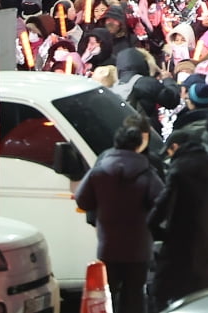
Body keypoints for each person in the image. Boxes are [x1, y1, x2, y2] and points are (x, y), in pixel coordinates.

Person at [74, 118, 163, 313]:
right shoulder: (147, 173)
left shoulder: (99, 171)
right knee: (135, 296)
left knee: (106, 295)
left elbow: (82, 201)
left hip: (108, 245)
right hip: (139, 248)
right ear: (139, 144)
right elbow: (162, 203)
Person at [149, 128, 208, 310]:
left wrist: (158, 231)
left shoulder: (178, 171)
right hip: (206, 249)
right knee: (203, 301)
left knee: (163, 297)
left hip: (177, 248)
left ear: (175, 147)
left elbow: (162, 207)